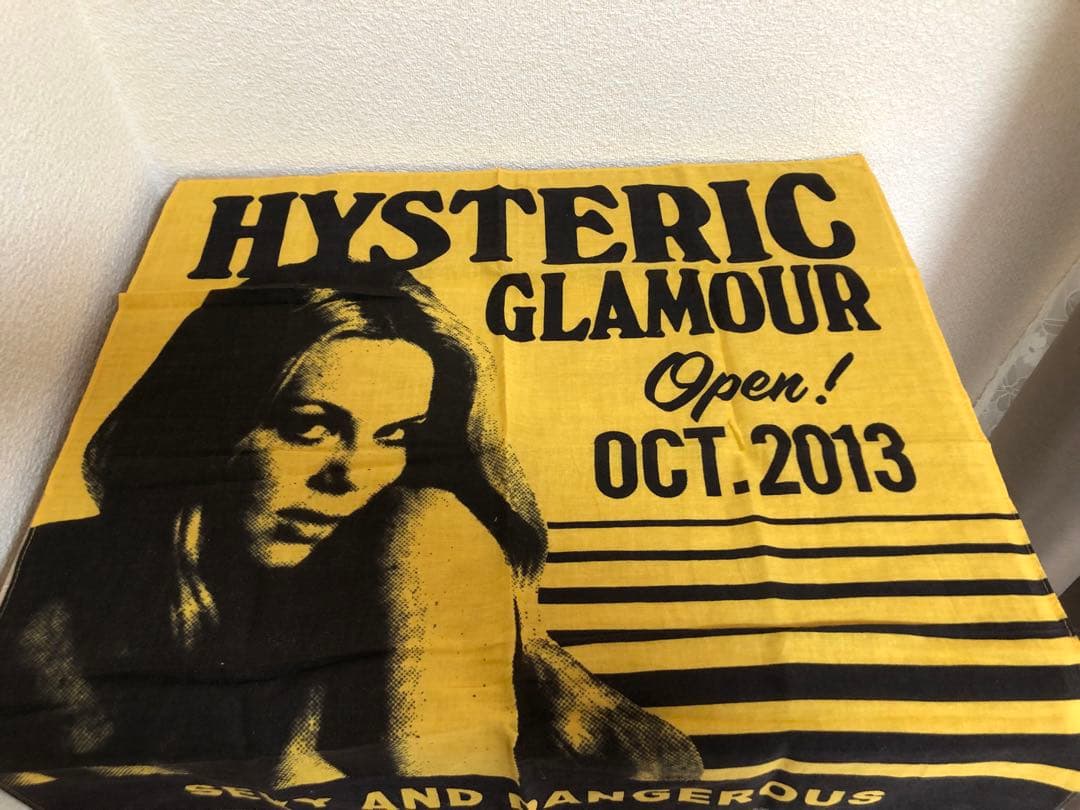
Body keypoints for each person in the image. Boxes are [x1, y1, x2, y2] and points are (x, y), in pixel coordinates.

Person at [0, 268, 702, 790]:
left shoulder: (423, 530)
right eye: (309, 427)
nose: (352, 475)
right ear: (205, 421)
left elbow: (452, 791)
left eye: (394, 437)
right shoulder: (57, 577)